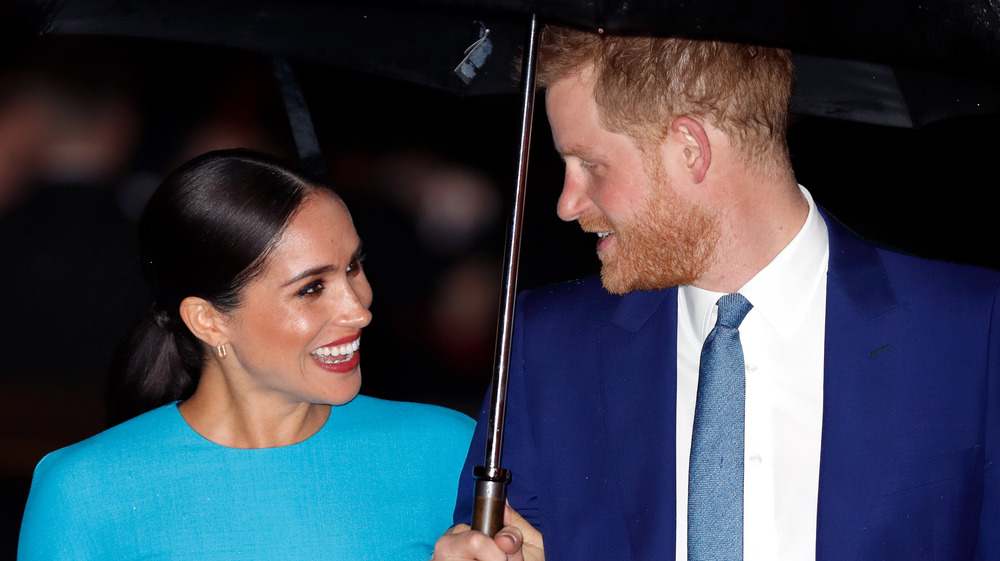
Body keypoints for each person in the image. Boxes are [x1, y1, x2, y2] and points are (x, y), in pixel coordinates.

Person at [434, 25, 1000, 561]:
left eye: (590, 164)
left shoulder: (971, 329)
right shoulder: (546, 348)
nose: (568, 203)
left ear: (690, 148)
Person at [17, 149, 474, 560]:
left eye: (353, 266)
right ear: (208, 320)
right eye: (312, 288)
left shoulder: (452, 449)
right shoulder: (84, 491)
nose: (359, 310)